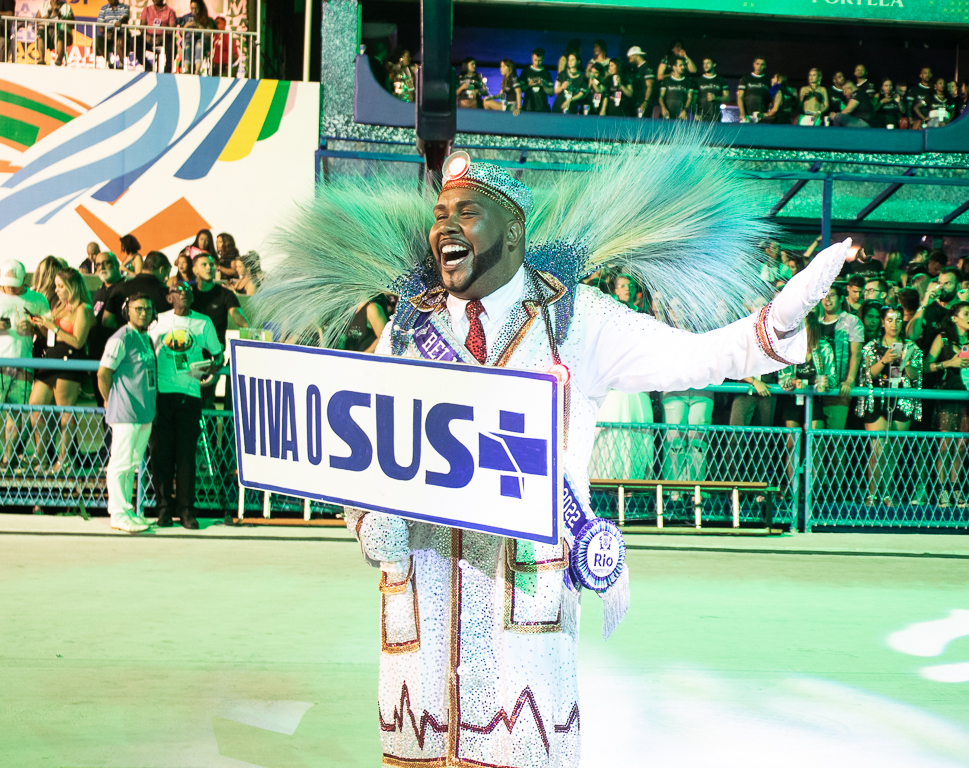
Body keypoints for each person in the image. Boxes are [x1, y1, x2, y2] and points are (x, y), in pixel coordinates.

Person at [254, 144, 850, 768]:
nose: (445, 228)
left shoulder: (574, 319)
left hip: (523, 612)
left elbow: (693, 358)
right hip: (424, 610)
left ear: (514, 229)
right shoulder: (406, 327)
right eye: (440, 213)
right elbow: (361, 452)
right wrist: (369, 524)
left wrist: (772, 327)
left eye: (468, 212)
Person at [149, 283, 222, 528]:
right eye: (178, 290)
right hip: (161, 395)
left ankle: (186, 510)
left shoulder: (203, 323)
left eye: (188, 290)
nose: (184, 293)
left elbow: (218, 355)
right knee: (161, 455)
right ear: (169, 297)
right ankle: (163, 509)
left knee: (186, 455)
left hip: (189, 395)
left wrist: (208, 370)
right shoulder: (157, 321)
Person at [98, 293, 157, 533]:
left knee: (132, 463)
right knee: (120, 463)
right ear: (128, 311)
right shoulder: (120, 337)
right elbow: (103, 373)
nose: (144, 313)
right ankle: (118, 513)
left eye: (148, 309)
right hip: (125, 411)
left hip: (144, 411)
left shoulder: (145, 337)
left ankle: (128, 510)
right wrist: (107, 400)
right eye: (139, 308)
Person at [28, 269, 94, 474]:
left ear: (72, 287)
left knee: (65, 411)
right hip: (50, 360)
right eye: (56, 286)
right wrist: (38, 326)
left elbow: (78, 341)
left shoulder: (84, 308)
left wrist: (53, 327)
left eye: (60, 286)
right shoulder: (58, 306)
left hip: (70, 362)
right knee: (35, 406)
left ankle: (64, 459)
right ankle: (41, 454)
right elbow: (51, 333)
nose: (56, 291)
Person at [857, 305, 923, 506]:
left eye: (898, 320)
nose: (894, 324)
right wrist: (885, 359)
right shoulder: (871, 346)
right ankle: (872, 493)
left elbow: (916, 376)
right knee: (877, 450)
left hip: (902, 401)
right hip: (877, 402)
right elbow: (867, 375)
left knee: (894, 450)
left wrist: (905, 361)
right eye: (889, 320)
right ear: (883, 322)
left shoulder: (911, 346)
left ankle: (887, 492)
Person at [0, 260, 50, 471]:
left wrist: (35, 327)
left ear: (25, 280)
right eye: (7, 283)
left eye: (15, 284)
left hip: (23, 363)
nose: (11, 288)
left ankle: (8, 458)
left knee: (16, 413)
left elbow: (50, 332)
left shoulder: (37, 299)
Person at [779, 312, 834, 485]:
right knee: (792, 445)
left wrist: (825, 381)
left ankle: (812, 488)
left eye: (805, 328)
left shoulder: (824, 348)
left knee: (815, 444)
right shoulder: (789, 348)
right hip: (793, 400)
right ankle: (793, 487)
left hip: (815, 401)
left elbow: (833, 377)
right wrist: (792, 381)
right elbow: (782, 379)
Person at [190, 251, 249, 407]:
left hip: (212, 357)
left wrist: (248, 330)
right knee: (188, 402)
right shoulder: (188, 294)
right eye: (204, 265)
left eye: (211, 264)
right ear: (195, 270)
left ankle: (210, 431)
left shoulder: (224, 294)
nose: (209, 268)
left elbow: (237, 316)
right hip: (188, 355)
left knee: (207, 401)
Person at [926, 302, 969, 507]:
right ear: (954, 317)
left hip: (966, 397)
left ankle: (956, 487)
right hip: (948, 395)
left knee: (961, 446)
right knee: (946, 445)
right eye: (966, 314)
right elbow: (926, 366)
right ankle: (942, 489)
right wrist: (949, 363)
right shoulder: (942, 339)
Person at [89, 251, 128, 406]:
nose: (102, 267)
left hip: (115, 359)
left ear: (117, 264)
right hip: (96, 357)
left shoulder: (125, 289)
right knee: (102, 407)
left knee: (115, 406)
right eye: (98, 264)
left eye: (107, 262)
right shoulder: (99, 291)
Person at [139, 0, 177, 72]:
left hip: (164, 36)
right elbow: (141, 27)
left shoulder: (170, 11)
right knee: (135, 40)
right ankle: (147, 66)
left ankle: (167, 70)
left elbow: (172, 28)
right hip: (149, 36)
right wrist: (146, 35)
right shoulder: (146, 10)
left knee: (172, 45)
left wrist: (162, 37)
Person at [181, 0, 217, 74]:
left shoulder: (206, 18)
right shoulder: (186, 17)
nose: (194, 10)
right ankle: (186, 69)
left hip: (203, 41)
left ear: (200, 8)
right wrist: (186, 26)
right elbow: (181, 34)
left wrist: (200, 26)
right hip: (189, 39)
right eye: (192, 8)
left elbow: (210, 34)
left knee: (199, 44)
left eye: (196, 8)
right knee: (187, 44)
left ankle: (197, 70)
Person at [36, 0, 73, 66]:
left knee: (60, 36)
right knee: (40, 35)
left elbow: (72, 24)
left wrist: (61, 16)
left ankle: (59, 59)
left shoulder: (66, 7)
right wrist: (47, 15)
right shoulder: (44, 6)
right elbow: (36, 21)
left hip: (60, 30)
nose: (55, 0)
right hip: (46, 30)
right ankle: (41, 59)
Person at [694, 57, 729, 122]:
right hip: (700, 115)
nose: (705, 65)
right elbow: (693, 100)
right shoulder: (697, 81)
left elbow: (727, 97)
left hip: (716, 115)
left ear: (714, 64)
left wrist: (716, 97)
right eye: (704, 63)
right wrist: (695, 114)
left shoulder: (721, 80)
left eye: (708, 63)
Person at [96, 0, 129, 68]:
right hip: (108, 33)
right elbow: (100, 25)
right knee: (97, 41)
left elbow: (125, 18)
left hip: (121, 33)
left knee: (119, 41)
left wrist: (120, 22)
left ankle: (122, 65)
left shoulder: (124, 7)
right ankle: (109, 62)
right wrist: (104, 34)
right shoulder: (103, 8)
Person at [520, 48, 553, 113]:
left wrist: (543, 85)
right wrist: (528, 85)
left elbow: (551, 92)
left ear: (543, 59)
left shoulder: (546, 73)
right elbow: (520, 89)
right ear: (532, 57)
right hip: (528, 107)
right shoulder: (526, 72)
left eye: (539, 60)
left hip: (542, 109)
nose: (537, 63)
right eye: (535, 60)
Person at [737, 57, 770, 122]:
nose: (759, 66)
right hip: (747, 116)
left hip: (762, 116)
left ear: (765, 66)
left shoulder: (768, 80)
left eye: (762, 64)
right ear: (754, 64)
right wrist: (742, 113)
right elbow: (740, 97)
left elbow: (773, 99)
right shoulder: (745, 79)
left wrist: (768, 114)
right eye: (758, 64)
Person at [626, 46, 655, 118]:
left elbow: (650, 86)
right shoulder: (636, 69)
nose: (630, 61)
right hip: (637, 101)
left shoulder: (647, 67)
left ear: (636, 55)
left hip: (643, 102)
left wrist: (646, 101)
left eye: (630, 58)